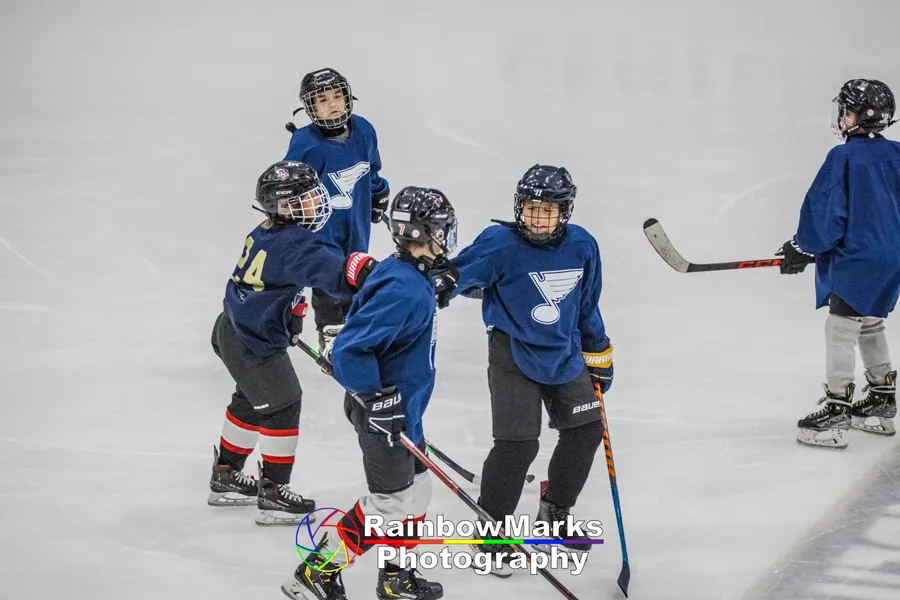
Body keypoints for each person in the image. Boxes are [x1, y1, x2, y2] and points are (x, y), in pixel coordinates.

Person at [281, 186, 457, 600]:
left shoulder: (406, 274)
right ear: (428, 233)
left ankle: (397, 577)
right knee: (389, 505)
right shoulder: (403, 288)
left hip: (404, 411)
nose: (447, 236)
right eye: (442, 229)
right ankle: (316, 572)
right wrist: (376, 399)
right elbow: (349, 348)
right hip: (382, 412)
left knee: (417, 492)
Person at [447, 164, 612, 576]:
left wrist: (597, 352)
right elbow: (451, 278)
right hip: (512, 352)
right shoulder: (499, 243)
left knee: (587, 429)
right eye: (531, 208)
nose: (538, 219)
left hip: (564, 351)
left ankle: (554, 512)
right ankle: (491, 532)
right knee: (518, 446)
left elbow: (586, 305)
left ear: (565, 211)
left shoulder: (582, 245)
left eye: (548, 211)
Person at [208, 161, 377, 525]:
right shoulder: (296, 243)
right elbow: (338, 280)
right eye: (304, 200)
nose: (316, 203)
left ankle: (226, 475)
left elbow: (279, 283)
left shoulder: (266, 231)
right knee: (283, 403)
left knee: (252, 400)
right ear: (282, 207)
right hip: (253, 341)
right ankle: (273, 492)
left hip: (234, 329)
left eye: (314, 195)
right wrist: (372, 273)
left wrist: (291, 316)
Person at [778, 79, 900, 450]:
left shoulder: (842, 157)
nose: (842, 116)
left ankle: (836, 408)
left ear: (856, 116)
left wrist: (802, 246)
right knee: (870, 321)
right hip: (892, 258)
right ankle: (881, 400)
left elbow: (827, 212)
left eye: (846, 110)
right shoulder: (897, 153)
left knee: (841, 326)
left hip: (858, 258)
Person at [284, 67, 390, 354]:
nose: (332, 104)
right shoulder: (305, 143)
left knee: (356, 272)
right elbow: (291, 186)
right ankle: (330, 331)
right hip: (321, 230)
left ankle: (354, 327)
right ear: (310, 107)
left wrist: (379, 193)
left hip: (355, 223)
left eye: (336, 96)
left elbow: (371, 169)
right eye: (322, 100)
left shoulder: (364, 130)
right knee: (328, 279)